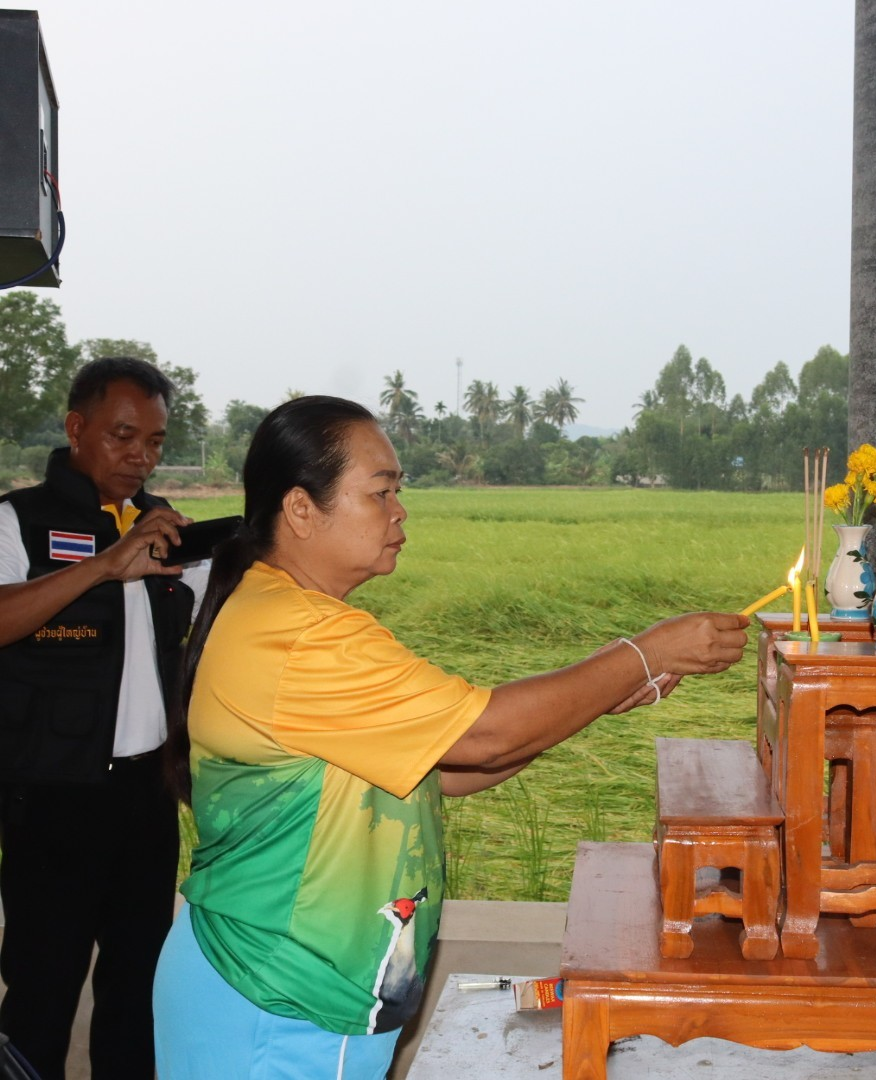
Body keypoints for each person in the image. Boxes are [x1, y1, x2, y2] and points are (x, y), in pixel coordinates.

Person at [153, 396, 749, 1080]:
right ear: (300, 509)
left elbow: (447, 765)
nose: (400, 511)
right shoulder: (301, 635)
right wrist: (643, 653)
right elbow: (487, 734)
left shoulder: (287, 615)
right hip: (279, 996)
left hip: (285, 986)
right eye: (380, 493)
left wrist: (598, 696)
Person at [0, 358, 209, 1080]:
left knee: (137, 992)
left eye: (154, 441)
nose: (140, 456)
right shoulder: (17, 520)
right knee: (41, 992)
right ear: (76, 428)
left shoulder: (170, 536)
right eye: (124, 435)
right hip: (50, 801)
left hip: (144, 801)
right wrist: (103, 564)